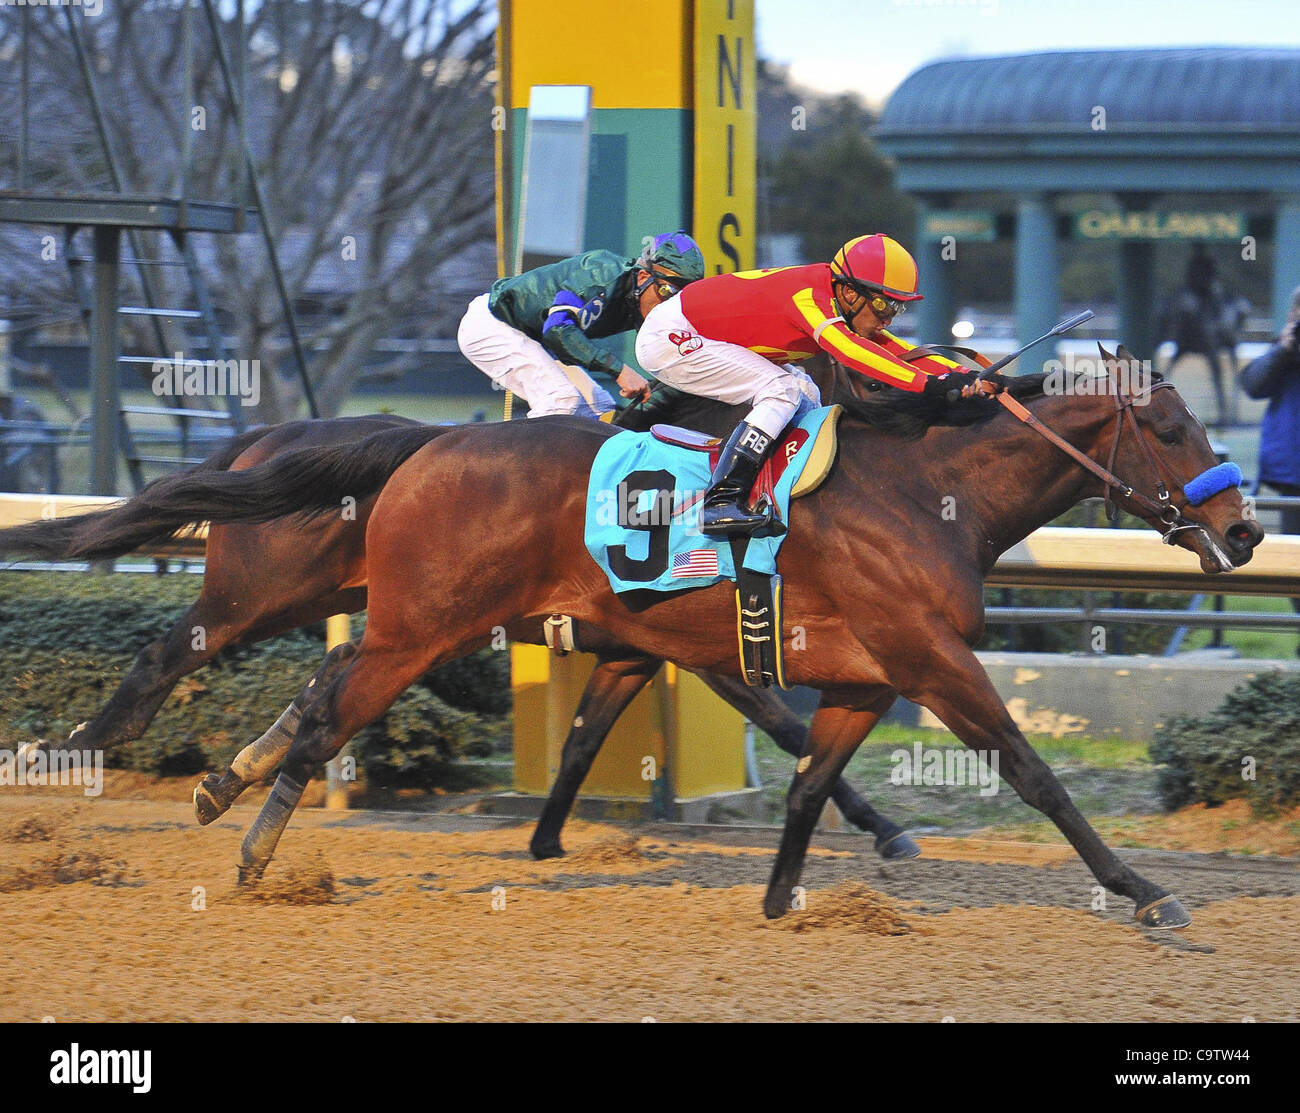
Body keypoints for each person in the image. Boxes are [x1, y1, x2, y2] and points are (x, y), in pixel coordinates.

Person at [634, 233, 988, 534]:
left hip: (698, 333)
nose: (886, 316)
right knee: (782, 389)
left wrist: (963, 375)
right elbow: (853, 353)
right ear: (849, 292)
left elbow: (899, 351)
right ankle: (721, 502)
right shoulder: (810, 299)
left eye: (896, 308)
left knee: (805, 393)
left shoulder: (840, 299)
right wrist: (930, 386)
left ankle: (788, 493)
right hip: (669, 336)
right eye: (882, 303)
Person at [457, 232, 705, 419]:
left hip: (533, 337)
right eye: (667, 291)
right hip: (493, 323)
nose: (670, 305)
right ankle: (503, 480)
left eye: (681, 299)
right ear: (643, 277)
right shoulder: (601, 274)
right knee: (561, 400)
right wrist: (619, 370)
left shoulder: (645, 301)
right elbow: (557, 328)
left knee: (599, 412)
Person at [1241, 285, 1300, 649]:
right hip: (1293, 476)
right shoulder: (1286, 352)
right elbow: (1254, 385)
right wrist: (1283, 349)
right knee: (1296, 561)